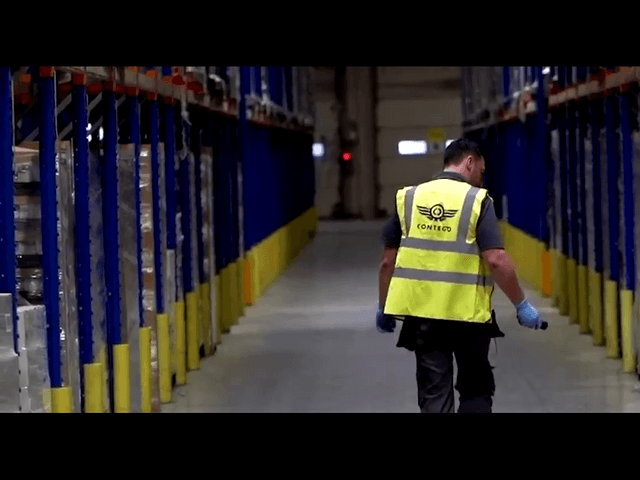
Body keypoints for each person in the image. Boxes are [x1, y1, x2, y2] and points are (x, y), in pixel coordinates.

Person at [376, 138, 544, 414]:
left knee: (434, 393)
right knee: (475, 388)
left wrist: (384, 306)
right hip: (469, 318)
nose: (481, 176)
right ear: (469, 162)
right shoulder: (478, 200)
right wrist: (521, 304)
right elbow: (496, 259)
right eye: (481, 169)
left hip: (424, 317)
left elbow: (387, 261)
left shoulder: (408, 198)